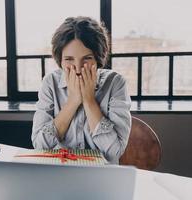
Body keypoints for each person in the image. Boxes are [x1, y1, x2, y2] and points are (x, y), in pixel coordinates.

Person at [31, 16, 132, 164]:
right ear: (60, 60)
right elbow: (40, 146)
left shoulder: (115, 83)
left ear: (98, 58)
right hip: (59, 172)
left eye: (87, 58)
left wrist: (89, 100)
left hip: (102, 176)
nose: (78, 68)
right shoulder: (50, 83)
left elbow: (114, 151)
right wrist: (73, 101)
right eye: (69, 59)